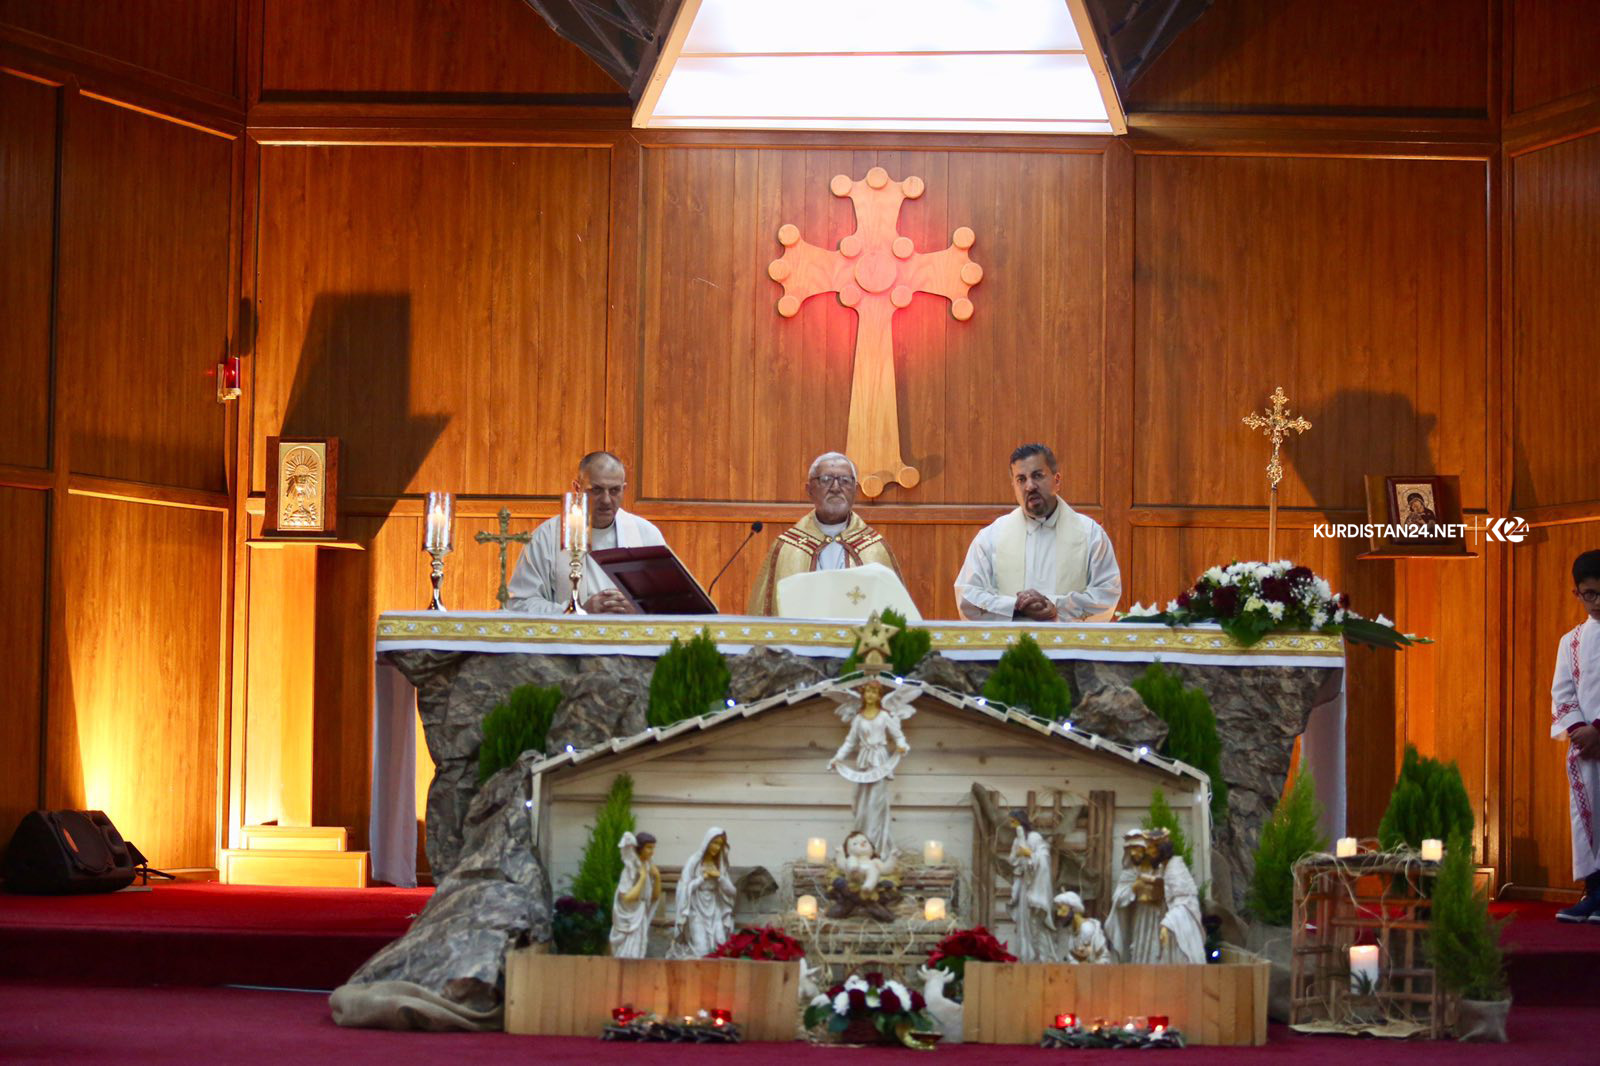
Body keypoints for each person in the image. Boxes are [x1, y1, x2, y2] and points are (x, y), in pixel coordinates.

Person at [954, 443, 1121, 622]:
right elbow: (968, 596)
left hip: (1066, 646)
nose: (1030, 486)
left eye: (1037, 476)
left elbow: (1106, 594)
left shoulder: (1091, 534)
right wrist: (1016, 609)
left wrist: (1056, 607)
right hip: (1012, 646)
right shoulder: (991, 537)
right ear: (1014, 486)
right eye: (1021, 479)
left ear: (1057, 481)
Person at [507, 451, 668, 614]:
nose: (606, 500)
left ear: (624, 489)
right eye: (596, 490)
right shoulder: (547, 536)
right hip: (571, 638)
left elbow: (669, 601)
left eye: (614, 491)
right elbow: (519, 604)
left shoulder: (647, 534)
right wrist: (578, 611)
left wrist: (639, 608)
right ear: (577, 488)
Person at [747, 452, 903, 615]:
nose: (836, 488)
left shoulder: (874, 549)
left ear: (855, 491)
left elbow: (895, 617)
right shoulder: (788, 548)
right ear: (809, 490)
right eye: (826, 480)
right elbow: (763, 617)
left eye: (845, 481)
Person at [1553, 549, 1600, 923]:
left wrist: (1598, 729)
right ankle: (1593, 893)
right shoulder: (1570, 641)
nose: (1596, 601)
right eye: (1589, 594)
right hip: (1587, 749)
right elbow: (1563, 693)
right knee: (1588, 822)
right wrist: (1580, 731)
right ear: (1577, 594)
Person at [1104, 828, 1205, 964]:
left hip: (1160, 915)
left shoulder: (1166, 868)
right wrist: (1135, 887)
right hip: (1140, 917)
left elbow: (1178, 897)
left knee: (1157, 952)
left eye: (1139, 848)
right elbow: (1119, 899)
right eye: (1130, 849)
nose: (1135, 852)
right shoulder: (1130, 873)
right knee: (1140, 951)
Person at [668, 827, 735, 958]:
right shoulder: (695, 861)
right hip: (695, 909)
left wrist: (719, 877)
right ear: (707, 842)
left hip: (715, 910)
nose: (716, 847)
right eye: (714, 843)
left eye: (719, 844)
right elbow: (683, 888)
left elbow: (732, 892)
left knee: (720, 947)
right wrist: (701, 879)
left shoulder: (720, 864)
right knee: (702, 950)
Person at [1007, 809, 1058, 963]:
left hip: (1035, 886)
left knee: (1035, 923)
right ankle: (1025, 956)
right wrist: (1017, 855)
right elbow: (1012, 860)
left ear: (1020, 820)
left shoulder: (1035, 837)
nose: (1011, 824)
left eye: (1013, 820)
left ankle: (1040, 957)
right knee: (1024, 923)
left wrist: (1029, 853)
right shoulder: (1017, 840)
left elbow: (1044, 859)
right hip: (1024, 885)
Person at [609, 831, 661, 958]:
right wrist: (642, 878)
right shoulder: (629, 869)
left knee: (638, 949)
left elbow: (654, 897)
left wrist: (657, 877)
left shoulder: (647, 866)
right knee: (628, 953)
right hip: (628, 916)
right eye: (649, 847)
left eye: (653, 848)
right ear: (639, 848)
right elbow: (626, 897)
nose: (652, 851)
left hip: (640, 913)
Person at [1054, 890, 1111, 964]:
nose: (1058, 913)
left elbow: (1096, 956)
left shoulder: (1087, 928)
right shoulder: (1072, 935)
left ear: (1072, 907)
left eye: (1060, 908)